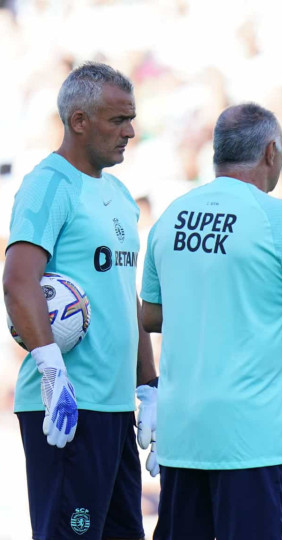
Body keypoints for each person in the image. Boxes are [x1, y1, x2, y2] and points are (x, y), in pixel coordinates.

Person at [140, 103, 282, 539]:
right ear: (271, 152)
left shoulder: (172, 216)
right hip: (252, 440)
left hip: (183, 434)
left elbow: (150, 314)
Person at [3, 62, 157, 540]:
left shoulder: (120, 193)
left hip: (112, 409)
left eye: (131, 118)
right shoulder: (48, 184)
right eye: (118, 120)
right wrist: (52, 371)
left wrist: (148, 387)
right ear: (78, 121)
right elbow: (18, 279)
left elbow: (123, 295)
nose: (130, 131)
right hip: (65, 408)